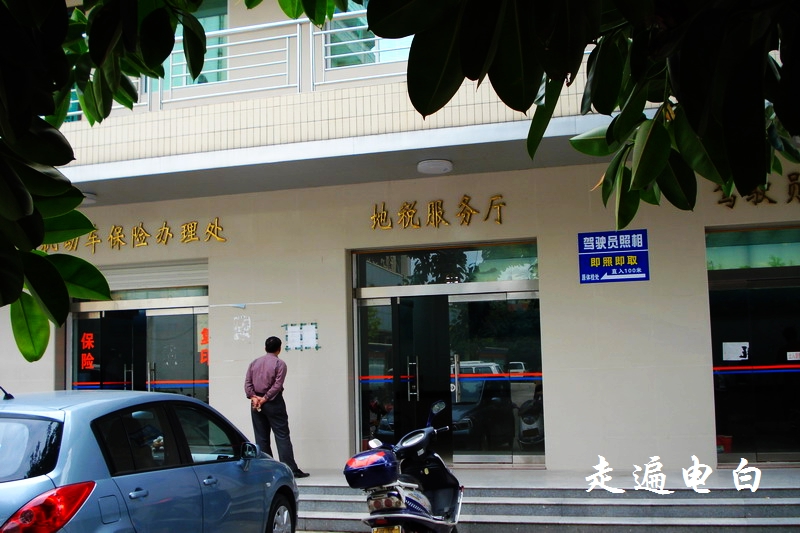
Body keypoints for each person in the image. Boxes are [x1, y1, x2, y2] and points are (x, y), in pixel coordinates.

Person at [244, 336, 309, 478]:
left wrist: (254, 397)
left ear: (265, 348)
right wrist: (265, 398)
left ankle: (267, 470)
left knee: (261, 437)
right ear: (279, 349)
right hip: (273, 402)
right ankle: (290, 469)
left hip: (256, 403)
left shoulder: (254, 363)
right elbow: (277, 385)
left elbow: (248, 383)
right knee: (282, 435)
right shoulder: (280, 364)